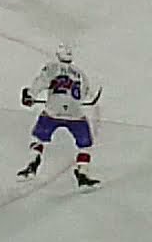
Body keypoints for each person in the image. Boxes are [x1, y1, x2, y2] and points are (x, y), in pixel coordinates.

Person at [17, 44, 100, 187]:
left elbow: (41, 81)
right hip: (75, 113)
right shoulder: (80, 73)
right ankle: (82, 173)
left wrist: (30, 95)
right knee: (85, 145)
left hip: (53, 111)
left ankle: (32, 165)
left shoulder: (52, 67)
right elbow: (84, 93)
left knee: (38, 138)